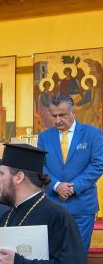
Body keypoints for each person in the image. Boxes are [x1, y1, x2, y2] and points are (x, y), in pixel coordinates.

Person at [37, 93, 103, 250]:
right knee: (54, 252)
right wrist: (57, 186)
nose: (57, 120)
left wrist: (73, 187)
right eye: (54, 116)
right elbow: (40, 166)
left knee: (78, 252)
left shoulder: (92, 134)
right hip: (53, 205)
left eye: (62, 115)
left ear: (73, 112)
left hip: (82, 205)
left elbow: (98, 164)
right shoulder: (44, 137)